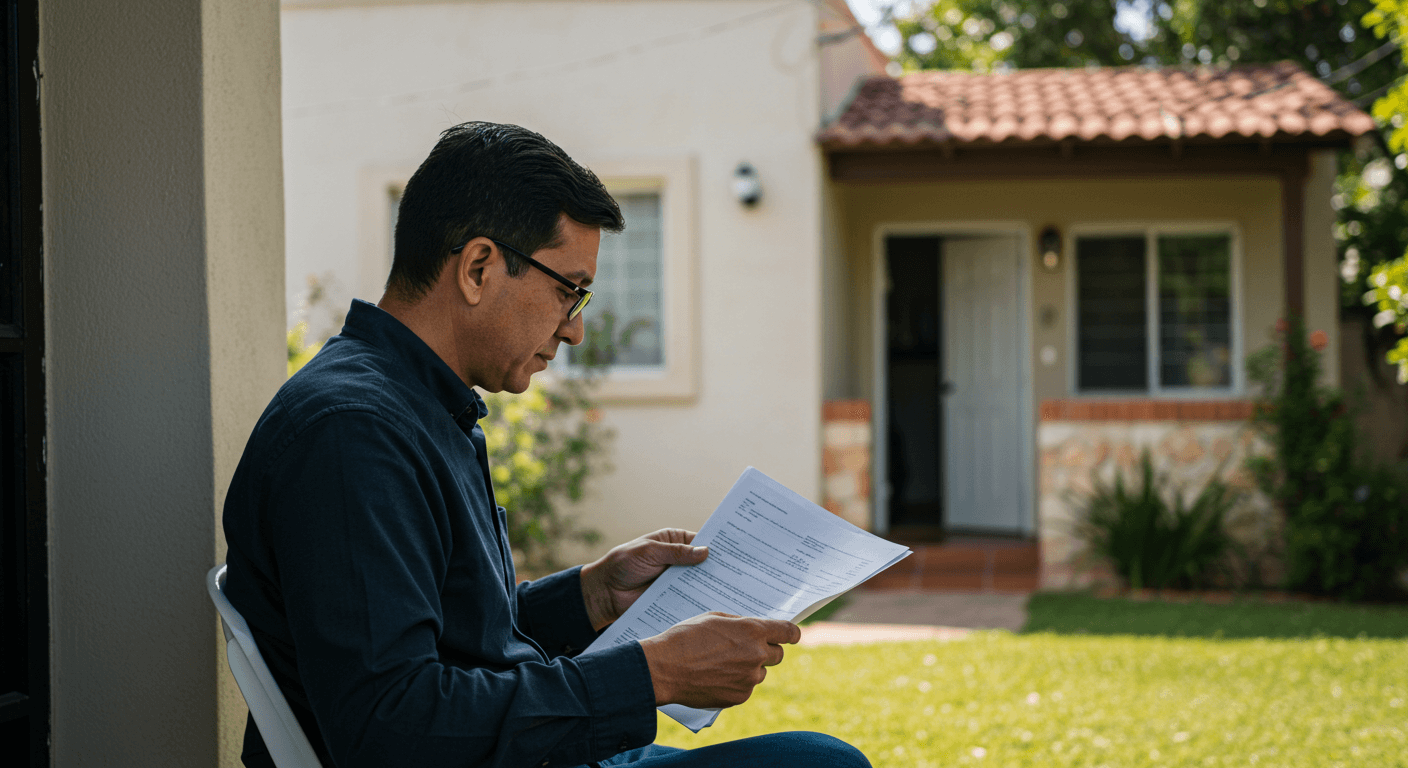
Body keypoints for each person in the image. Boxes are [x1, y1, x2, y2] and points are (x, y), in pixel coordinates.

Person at [221, 122, 871, 768]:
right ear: (478, 268)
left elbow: (464, 640)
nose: (575, 330)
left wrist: (592, 597)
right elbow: (392, 728)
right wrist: (653, 675)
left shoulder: (416, 408)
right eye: (568, 291)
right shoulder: (354, 434)